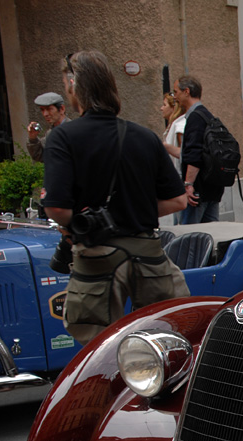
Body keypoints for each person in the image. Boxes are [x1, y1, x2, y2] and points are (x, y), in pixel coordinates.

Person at [42, 50, 189, 344]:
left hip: (96, 256)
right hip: (147, 254)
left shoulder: (63, 137)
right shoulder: (145, 136)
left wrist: (82, 220)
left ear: (73, 85)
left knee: (99, 348)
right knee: (166, 334)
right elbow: (178, 201)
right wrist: (133, 210)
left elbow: (56, 207)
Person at [174, 74, 223, 223]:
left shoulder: (195, 118)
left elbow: (194, 154)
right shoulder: (208, 115)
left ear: (186, 91)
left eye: (176, 92)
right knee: (210, 235)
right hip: (213, 187)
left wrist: (188, 185)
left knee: (190, 236)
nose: (174, 96)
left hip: (198, 191)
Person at [159, 92, 186, 226]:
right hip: (179, 178)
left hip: (181, 178)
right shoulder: (173, 124)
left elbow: (184, 153)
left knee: (183, 225)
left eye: (164, 105)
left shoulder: (179, 125)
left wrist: (162, 146)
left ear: (173, 107)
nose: (161, 108)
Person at [26, 92, 70, 162]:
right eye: (42, 110)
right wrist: (33, 138)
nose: (45, 114)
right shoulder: (50, 133)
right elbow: (40, 156)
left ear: (62, 109)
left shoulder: (73, 130)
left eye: (49, 109)